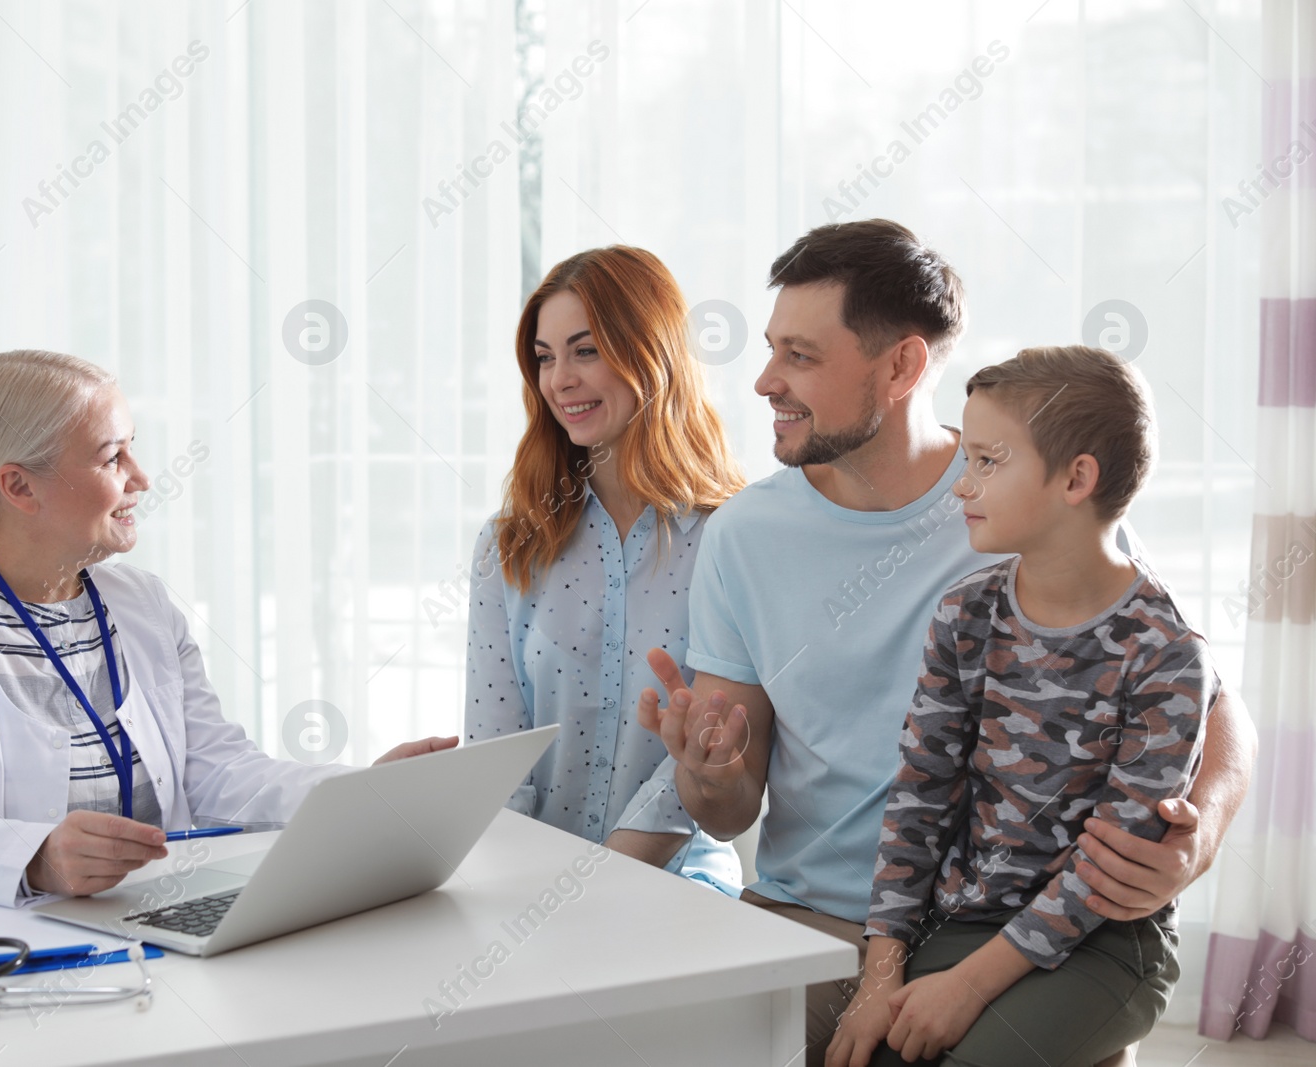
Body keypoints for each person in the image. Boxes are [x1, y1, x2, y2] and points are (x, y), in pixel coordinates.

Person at [631, 220, 1256, 1065]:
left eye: (801, 356)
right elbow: (734, 804)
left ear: (902, 366)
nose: (765, 380)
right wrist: (707, 776)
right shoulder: (745, 536)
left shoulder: (1029, 506)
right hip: (809, 913)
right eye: (772, 349)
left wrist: (1197, 833)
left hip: (1003, 922)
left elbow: (1210, 704)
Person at [0, 350, 455, 906]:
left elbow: (218, 772)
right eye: (113, 456)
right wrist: (33, 857)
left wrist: (363, 792)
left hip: (150, 922)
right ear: (19, 486)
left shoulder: (141, 604)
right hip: (0, 948)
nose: (142, 479)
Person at [828, 345, 1214, 1066]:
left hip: (1106, 942)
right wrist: (880, 973)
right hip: (968, 913)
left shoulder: (1166, 654)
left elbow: (1110, 864)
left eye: (987, 461)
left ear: (1076, 478)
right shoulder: (964, 614)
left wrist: (967, 988)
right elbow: (921, 798)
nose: (961, 486)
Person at [464, 245, 748, 894]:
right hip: (525, 889)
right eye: (544, 357)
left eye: (585, 350)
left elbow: (696, 763)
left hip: (681, 890)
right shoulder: (507, 546)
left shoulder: (731, 538)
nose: (559, 378)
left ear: (651, 354)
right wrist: (519, 900)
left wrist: (587, 894)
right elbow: (493, 757)